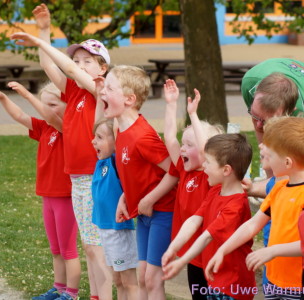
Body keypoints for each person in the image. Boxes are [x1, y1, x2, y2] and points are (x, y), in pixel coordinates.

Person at [11, 5, 112, 300]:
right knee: (90, 247)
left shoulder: (98, 91)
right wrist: (44, 29)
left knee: (97, 247)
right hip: (78, 179)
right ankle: (94, 296)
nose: (79, 65)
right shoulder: (75, 94)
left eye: (88, 61)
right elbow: (50, 68)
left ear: (102, 69)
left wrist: (41, 41)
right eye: (77, 60)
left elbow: (66, 68)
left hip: (95, 175)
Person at [0, 82, 81, 300]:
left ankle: (71, 294)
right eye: (43, 104)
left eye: (52, 105)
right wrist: (3, 98)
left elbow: (53, 118)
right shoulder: (45, 127)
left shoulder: (69, 129)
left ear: (69, 106)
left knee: (68, 250)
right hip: (48, 197)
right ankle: (58, 288)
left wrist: (27, 94)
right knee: (55, 249)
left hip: (65, 197)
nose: (45, 110)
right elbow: (19, 116)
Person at [99, 64, 178, 300]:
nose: (103, 91)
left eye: (109, 87)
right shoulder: (119, 128)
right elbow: (133, 171)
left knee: (153, 279)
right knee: (143, 275)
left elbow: (175, 172)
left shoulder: (143, 136)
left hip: (163, 211)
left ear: (129, 99)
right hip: (144, 211)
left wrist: (149, 199)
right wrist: (126, 198)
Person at [206, 117, 304, 300]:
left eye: (271, 156)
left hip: (298, 287)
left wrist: (272, 250)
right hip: (274, 282)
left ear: (288, 163)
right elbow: (252, 225)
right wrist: (223, 249)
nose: (265, 158)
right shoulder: (278, 189)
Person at [162, 133, 256, 300]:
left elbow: (207, 237)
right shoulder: (215, 191)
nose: (203, 166)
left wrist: (181, 262)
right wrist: (173, 248)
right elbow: (194, 220)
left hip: (233, 285)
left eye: (208, 162)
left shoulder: (236, 205)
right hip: (215, 279)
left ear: (226, 170)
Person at [163, 79, 223, 300]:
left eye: (189, 144)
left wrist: (194, 115)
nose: (182, 148)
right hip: (192, 255)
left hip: (211, 253)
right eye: (183, 144)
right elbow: (169, 138)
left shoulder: (211, 176)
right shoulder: (185, 170)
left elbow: (208, 149)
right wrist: (171, 104)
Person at [91, 118, 139, 300]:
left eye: (100, 137)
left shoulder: (116, 162)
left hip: (119, 231)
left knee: (129, 281)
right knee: (118, 280)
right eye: (94, 136)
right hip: (105, 230)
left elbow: (121, 133)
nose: (93, 141)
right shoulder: (101, 162)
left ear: (116, 141)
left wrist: (118, 113)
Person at [241, 58, 304, 144]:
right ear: (254, 92)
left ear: (291, 111)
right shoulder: (249, 83)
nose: (258, 125)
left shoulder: (301, 113)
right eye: (255, 114)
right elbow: (259, 127)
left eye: (267, 120)